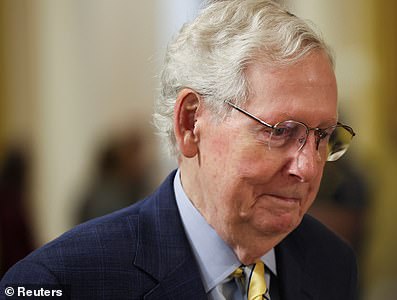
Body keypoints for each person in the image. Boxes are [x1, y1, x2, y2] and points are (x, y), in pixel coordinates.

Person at [1, 0, 358, 299]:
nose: (309, 168)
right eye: (281, 131)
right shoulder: (61, 282)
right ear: (191, 124)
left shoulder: (331, 263)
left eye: (323, 136)